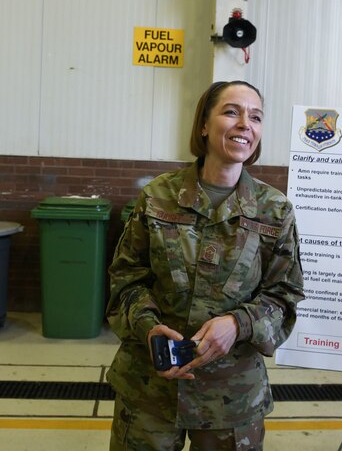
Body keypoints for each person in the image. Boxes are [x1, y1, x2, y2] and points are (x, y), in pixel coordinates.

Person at [106, 81, 304, 450]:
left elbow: (285, 295)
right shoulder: (157, 197)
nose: (246, 123)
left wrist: (238, 323)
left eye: (256, 117)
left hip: (230, 399)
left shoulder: (274, 211)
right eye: (232, 111)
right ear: (203, 125)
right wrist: (148, 327)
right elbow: (125, 280)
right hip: (150, 386)